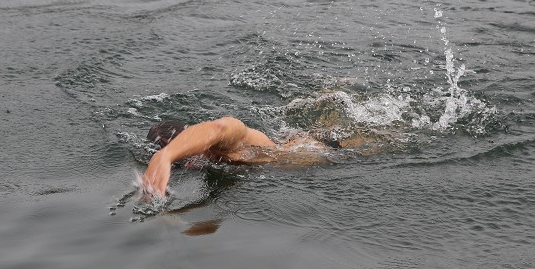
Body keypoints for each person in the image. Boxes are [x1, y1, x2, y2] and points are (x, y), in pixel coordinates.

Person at [139, 116, 383, 198]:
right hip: (299, 148)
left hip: (336, 151)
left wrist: (166, 156)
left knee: (387, 138)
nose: (189, 165)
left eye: (186, 157)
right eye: (182, 166)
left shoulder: (225, 144)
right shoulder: (212, 160)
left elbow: (218, 128)